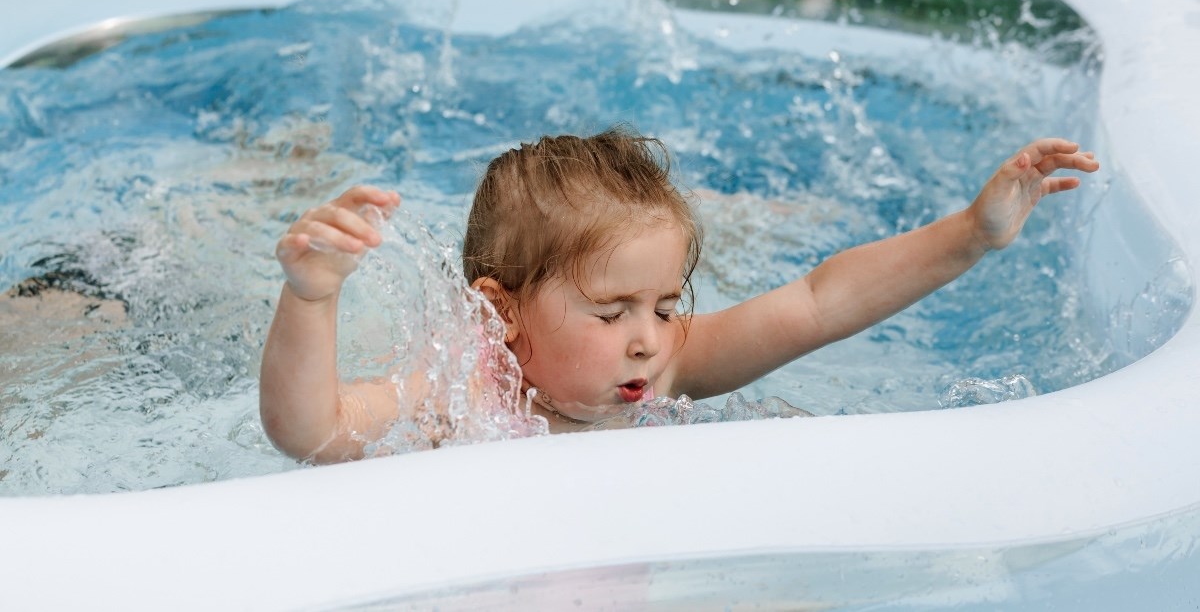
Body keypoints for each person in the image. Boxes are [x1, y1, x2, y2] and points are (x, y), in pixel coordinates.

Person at [259, 128, 1099, 463]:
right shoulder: (460, 394)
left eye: (664, 306)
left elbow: (816, 302)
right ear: (502, 310)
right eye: (613, 310)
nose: (648, 339)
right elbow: (313, 430)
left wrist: (969, 236)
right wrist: (310, 300)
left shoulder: (662, 372)